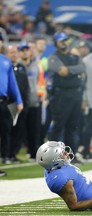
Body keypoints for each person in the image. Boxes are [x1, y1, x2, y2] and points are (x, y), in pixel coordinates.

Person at [47, 32, 86, 162]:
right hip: (61, 96)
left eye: (65, 40)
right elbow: (61, 72)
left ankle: (71, 156)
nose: (64, 42)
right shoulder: (53, 57)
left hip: (75, 95)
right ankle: (53, 155)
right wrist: (74, 71)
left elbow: (82, 67)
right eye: (61, 40)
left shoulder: (74, 56)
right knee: (58, 126)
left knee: (72, 127)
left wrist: (68, 70)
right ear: (56, 43)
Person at [0, 33, 23, 174]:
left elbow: (12, 83)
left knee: (5, 131)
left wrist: (19, 100)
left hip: (2, 102)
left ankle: (4, 158)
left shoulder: (6, 61)